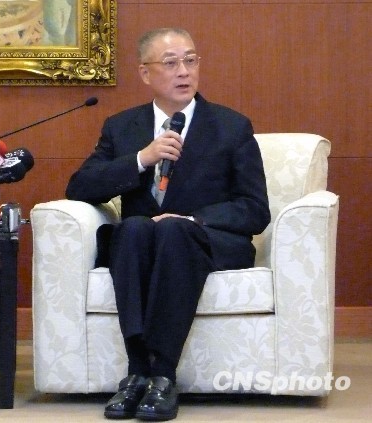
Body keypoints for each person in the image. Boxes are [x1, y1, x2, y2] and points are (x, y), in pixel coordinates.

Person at [65, 28, 270, 421]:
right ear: (146, 73)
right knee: (134, 228)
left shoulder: (232, 126)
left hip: (209, 241)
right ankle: (137, 372)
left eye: (190, 60)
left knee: (173, 230)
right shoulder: (122, 127)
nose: (184, 71)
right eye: (171, 62)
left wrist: (192, 219)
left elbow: (255, 209)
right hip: (142, 242)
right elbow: (79, 187)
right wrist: (141, 159)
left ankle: (160, 373)